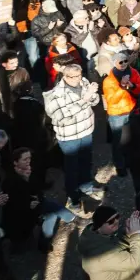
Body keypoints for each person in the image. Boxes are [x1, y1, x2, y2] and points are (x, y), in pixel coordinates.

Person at [43, 64, 102, 201]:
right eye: (73, 77)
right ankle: (73, 195)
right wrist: (85, 99)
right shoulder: (57, 94)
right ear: (65, 76)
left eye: (79, 75)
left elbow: (95, 102)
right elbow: (62, 117)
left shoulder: (84, 82)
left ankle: (86, 187)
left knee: (86, 162)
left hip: (86, 131)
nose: (77, 79)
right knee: (71, 168)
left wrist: (93, 95)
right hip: (69, 137)